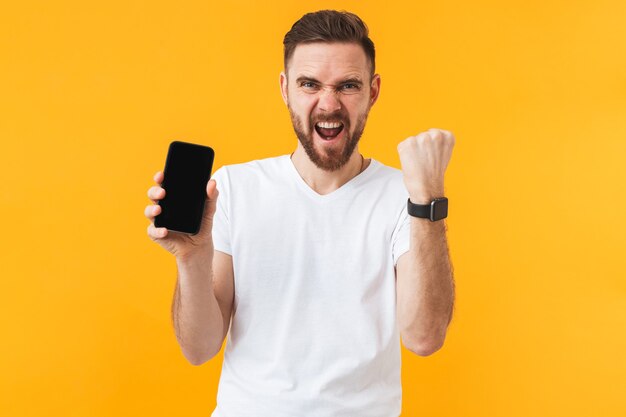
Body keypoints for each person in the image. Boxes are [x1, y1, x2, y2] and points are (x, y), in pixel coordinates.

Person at [145, 9, 455, 417]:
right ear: (285, 88)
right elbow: (199, 349)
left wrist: (428, 198)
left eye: (347, 86)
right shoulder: (234, 188)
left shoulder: (406, 194)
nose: (329, 104)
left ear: (373, 91)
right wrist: (190, 258)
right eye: (310, 84)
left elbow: (424, 338)